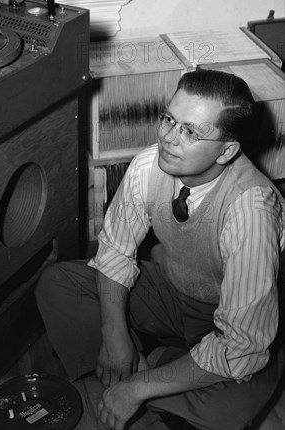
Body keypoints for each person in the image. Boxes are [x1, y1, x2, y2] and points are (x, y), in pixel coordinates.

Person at [35, 69, 285, 430]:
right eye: (169, 119)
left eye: (190, 132)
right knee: (57, 285)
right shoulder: (148, 165)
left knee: (225, 408)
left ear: (227, 151)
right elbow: (116, 251)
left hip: (228, 321)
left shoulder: (252, 210)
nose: (168, 138)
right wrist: (114, 334)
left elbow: (241, 344)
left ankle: (150, 367)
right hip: (172, 294)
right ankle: (158, 363)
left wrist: (136, 387)